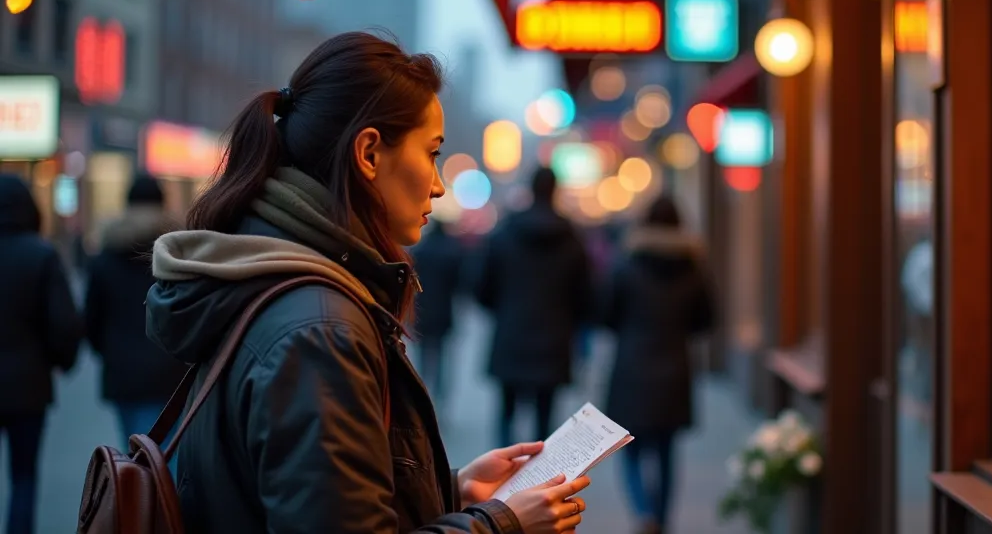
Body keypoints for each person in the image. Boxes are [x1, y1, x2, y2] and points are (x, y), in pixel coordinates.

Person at [145, 32, 590, 534]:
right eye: (433, 152)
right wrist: (499, 525)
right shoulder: (319, 329)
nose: (439, 184)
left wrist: (453, 488)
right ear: (370, 154)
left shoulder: (277, 283)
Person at [600, 197, 715, 534]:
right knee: (666, 451)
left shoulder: (626, 264)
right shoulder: (693, 268)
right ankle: (661, 520)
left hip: (632, 367)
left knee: (630, 448)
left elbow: (606, 313)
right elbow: (706, 320)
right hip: (675, 367)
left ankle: (643, 511)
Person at [475, 167, 592, 448]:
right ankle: (538, 482)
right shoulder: (572, 240)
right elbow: (586, 297)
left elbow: (480, 286)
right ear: (555, 190)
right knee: (545, 419)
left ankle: (503, 478)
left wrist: (504, 310)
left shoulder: (505, 234)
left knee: (506, 413)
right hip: (553, 339)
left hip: (511, 335)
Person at [0, 173, 81, 534]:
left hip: (25, 383)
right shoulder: (41, 255)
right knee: (24, 476)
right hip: (27, 387)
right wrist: (63, 360)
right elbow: (63, 323)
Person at [84, 174, 188, 446]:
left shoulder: (106, 257)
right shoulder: (177, 254)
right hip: (171, 369)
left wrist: (110, 350)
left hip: (124, 371)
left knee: (136, 456)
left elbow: (91, 321)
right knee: (167, 455)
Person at [411, 219, 464, 402]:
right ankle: (440, 396)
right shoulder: (451, 252)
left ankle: (421, 391)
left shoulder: (420, 250)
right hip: (443, 310)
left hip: (421, 309)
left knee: (422, 355)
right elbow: (459, 284)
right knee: (440, 356)